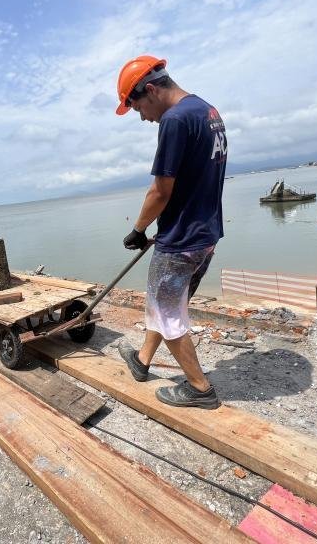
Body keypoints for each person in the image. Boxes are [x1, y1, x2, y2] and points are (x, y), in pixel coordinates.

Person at [115, 55, 228, 409]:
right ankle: (143, 360)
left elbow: (160, 191)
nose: (144, 118)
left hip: (180, 241)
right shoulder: (208, 112)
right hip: (205, 235)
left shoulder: (175, 120)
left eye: (137, 108)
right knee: (167, 305)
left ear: (150, 90)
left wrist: (138, 229)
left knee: (167, 311)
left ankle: (199, 389)